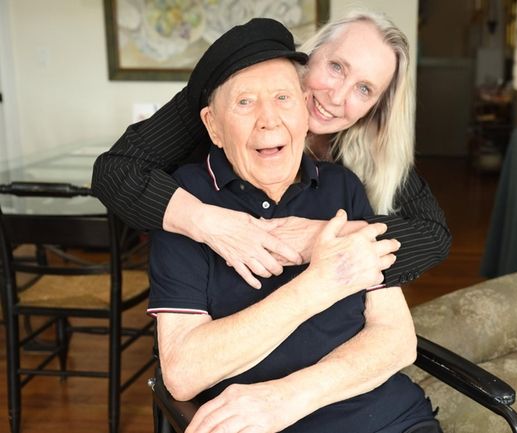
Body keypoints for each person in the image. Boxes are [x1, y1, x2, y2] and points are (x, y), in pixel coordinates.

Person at [149, 18, 441, 433]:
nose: (269, 120)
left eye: (283, 99)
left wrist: (285, 398)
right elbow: (182, 373)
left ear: (303, 111)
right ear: (213, 126)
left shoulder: (345, 186)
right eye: (246, 102)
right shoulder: (185, 201)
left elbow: (397, 339)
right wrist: (319, 284)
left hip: (390, 419)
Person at [91, 10, 450, 290]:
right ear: (310, 55)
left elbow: (433, 235)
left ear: (375, 108)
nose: (337, 97)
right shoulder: (226, 97)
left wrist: (319, 236)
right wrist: (211, 222)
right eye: (337, 67)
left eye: (364, 90)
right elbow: (115, 171)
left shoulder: (365, 149)